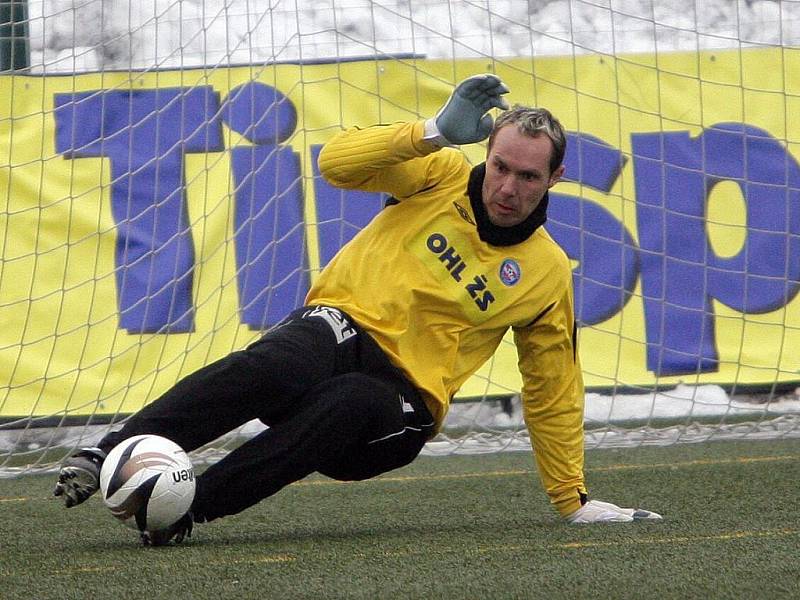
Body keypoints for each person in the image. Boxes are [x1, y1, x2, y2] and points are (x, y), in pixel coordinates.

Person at [54, 74, 661, 545]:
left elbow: (552, 386)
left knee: (353, 400)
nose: (508, 188)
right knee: (285, 360)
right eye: (500, 167)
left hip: (399, 409)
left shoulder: (547, 273)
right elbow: (336, 165)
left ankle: (183, 510)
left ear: (555, 177)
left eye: (528, 176)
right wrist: (435, 131)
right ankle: (112, 448)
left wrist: (572, 499)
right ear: (486, 156)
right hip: (340, 331)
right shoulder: (442, 171)